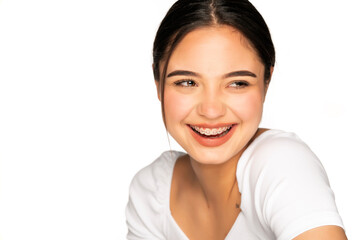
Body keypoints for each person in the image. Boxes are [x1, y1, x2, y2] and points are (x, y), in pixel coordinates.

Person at [125, 0, 347, 239]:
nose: (211, 110)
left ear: (266, 81)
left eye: (237, 83)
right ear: (158, 82)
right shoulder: (152, 191)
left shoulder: (280, 162)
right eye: (187, 82)